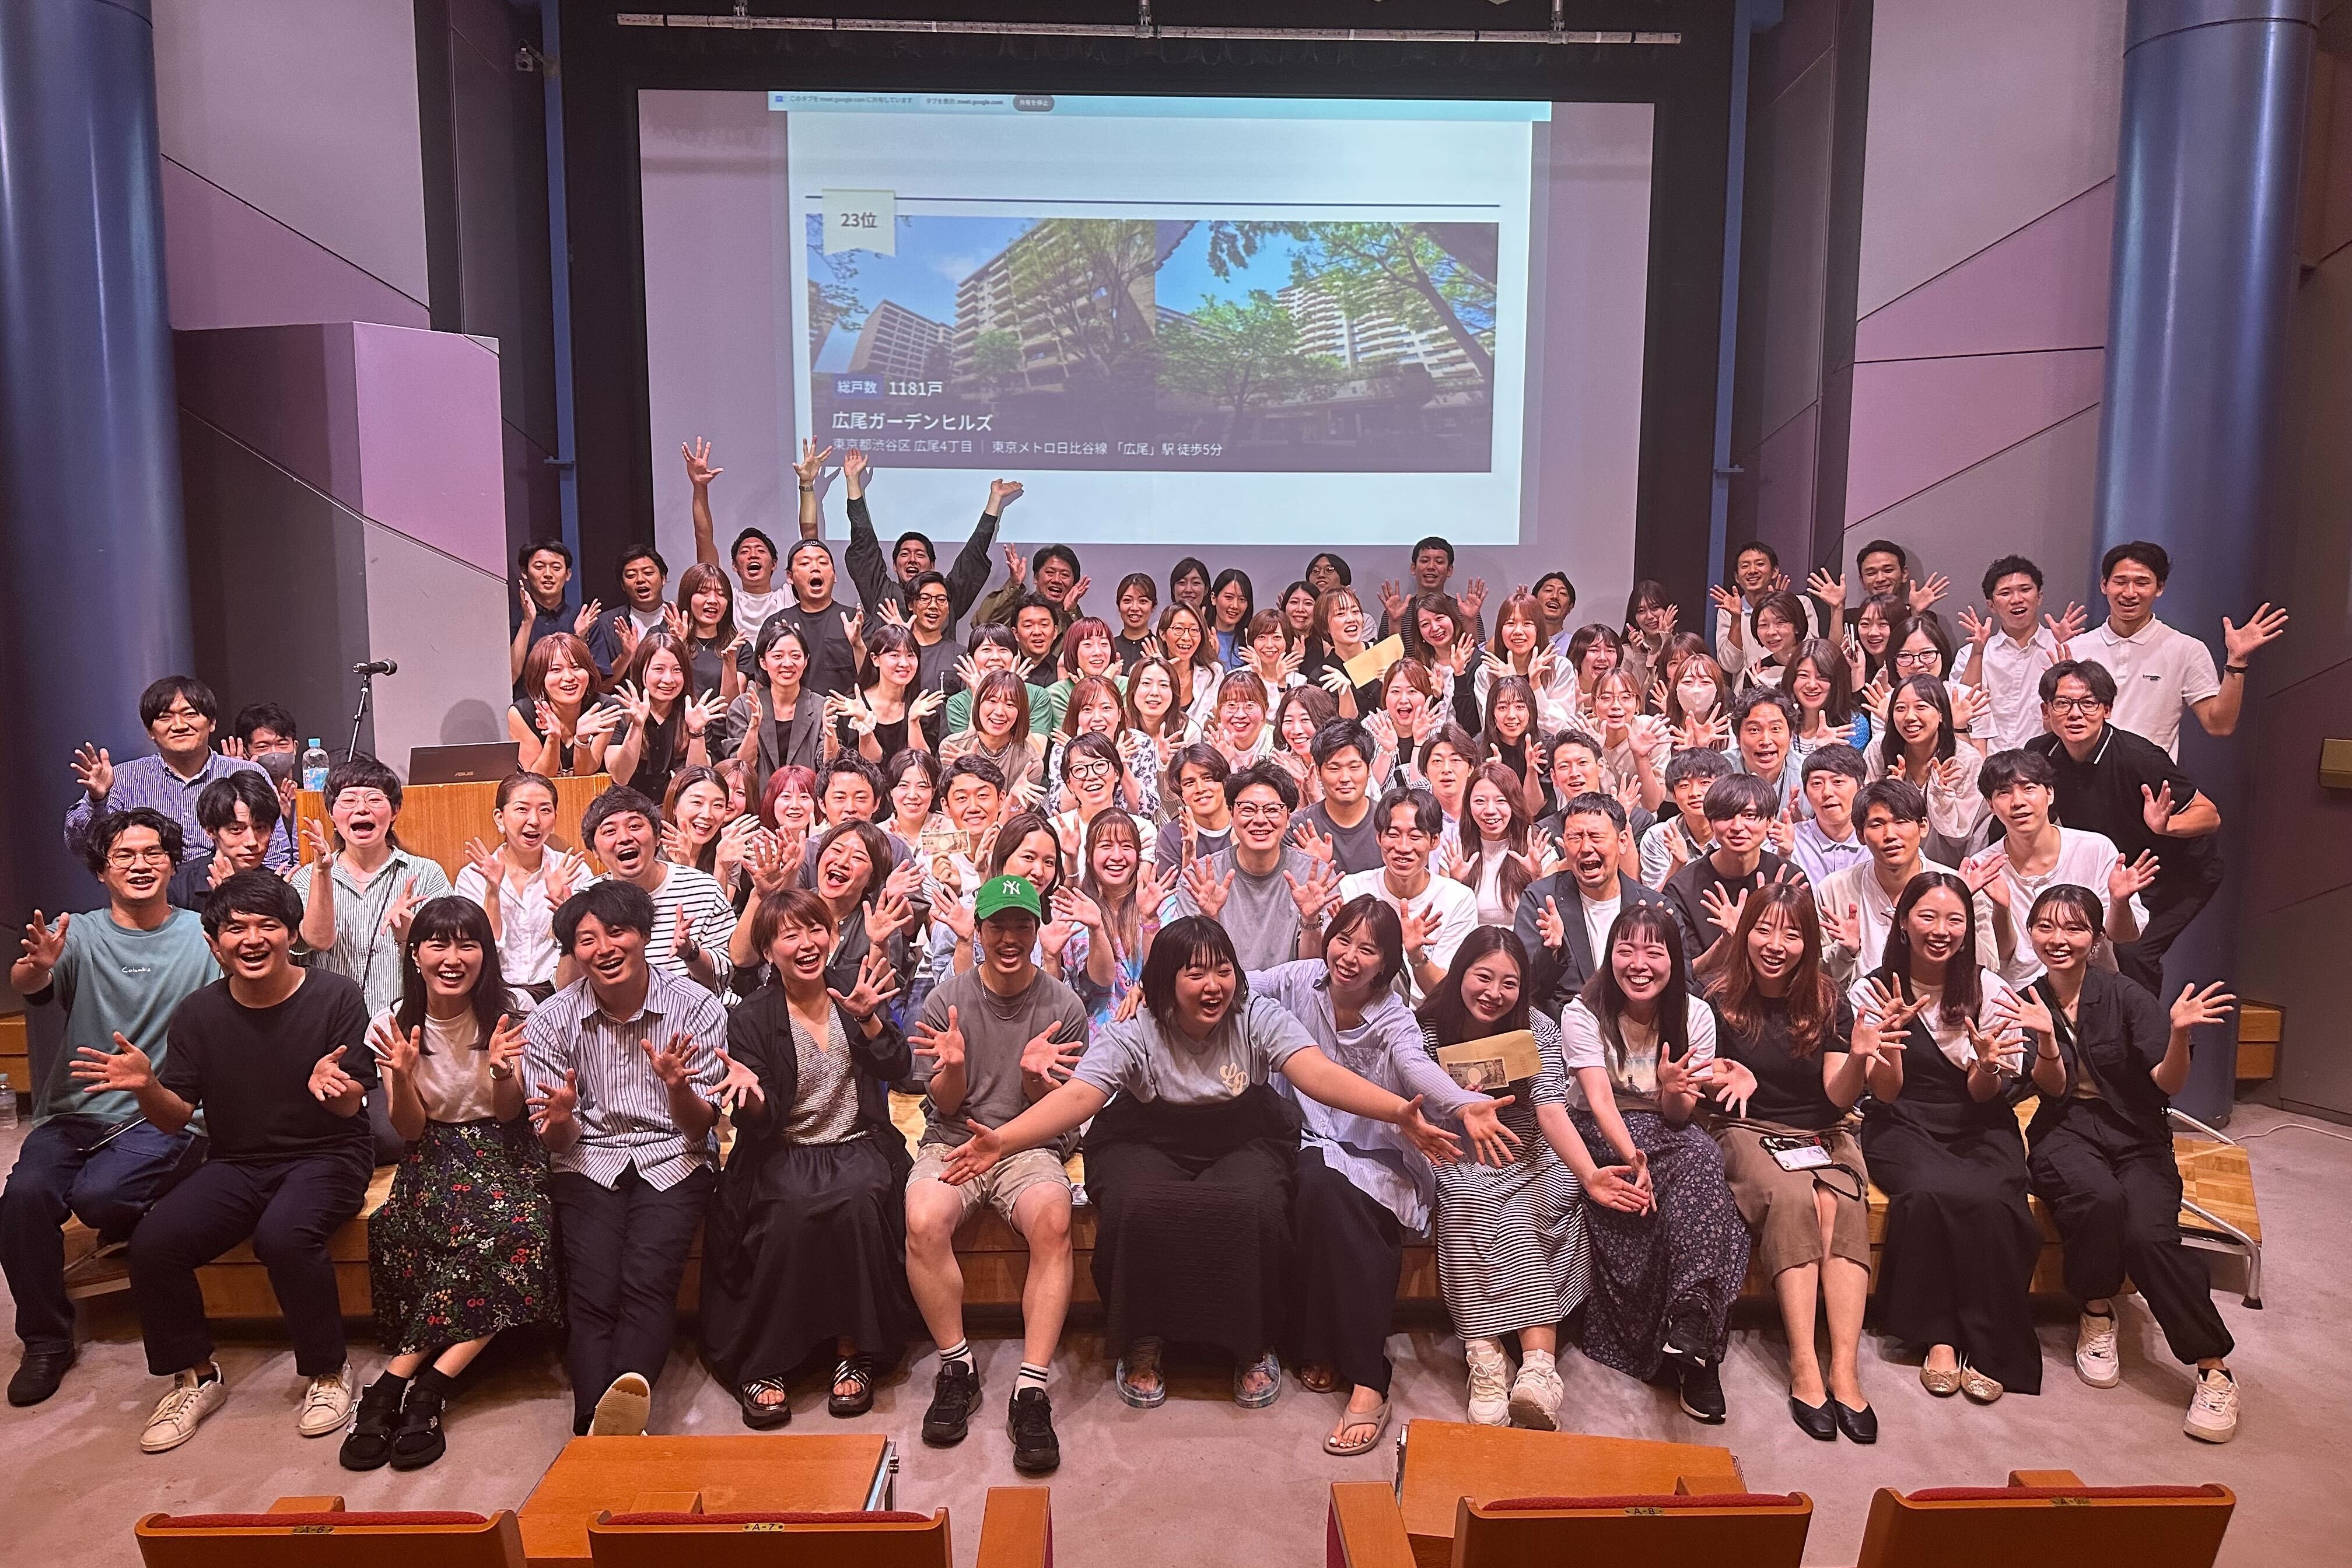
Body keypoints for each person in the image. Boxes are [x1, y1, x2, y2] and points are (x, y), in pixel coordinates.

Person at [939, 916, 1461, 1412]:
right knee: (1138, 1204)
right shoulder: (1136, 1030)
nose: (1214, 986)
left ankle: (1252, 1342)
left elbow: (1317, 1073)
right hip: (1146, 1134)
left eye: (1223, 971)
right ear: (1166, 982)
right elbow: (1080, 1097)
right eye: (1195, 974)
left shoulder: (1257, 1016)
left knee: (1253, 1205)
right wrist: (1001, 1141)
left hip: (1243, 1132)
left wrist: (1398, 1111)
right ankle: (1143, 1337)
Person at [78, 872, 376, 1452]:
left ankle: (327, 1370)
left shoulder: (335, 995)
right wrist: (146, 1087)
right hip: (238, 1159)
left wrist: (335, 1086)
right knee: (154, 1242)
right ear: (215, 944)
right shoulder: (198, 1014)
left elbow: (350, 1108)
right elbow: (174, 1118)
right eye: (236, 928)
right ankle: (195, 1375)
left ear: (292, 934)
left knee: (284, 1236)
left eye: (268, 925)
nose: (252, 939)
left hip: (329, 1153)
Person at [1251, 903, 1509, 1454]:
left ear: (1387, 964)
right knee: (1313, 1183)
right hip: (1307, 1141)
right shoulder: (1299, 980)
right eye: (1343, 940)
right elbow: (1240, 986)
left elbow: (1416, 1067)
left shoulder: (1394, 1017)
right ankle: (1321, 1346)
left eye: (1368, 950)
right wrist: (1158, 985)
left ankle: (1369, 1375)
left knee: (1338, 1196)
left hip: (1381, 1151)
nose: (1349, 957)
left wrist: (1463, 1104)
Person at [2013, 886, 2242, 1442]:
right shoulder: (2026, 1000)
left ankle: (2213, 1367)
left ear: (2096, 938)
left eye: (2074, 928)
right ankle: (2096, 1311)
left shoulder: (2125, 996)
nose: (2058, 939)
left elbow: (2167, 1084)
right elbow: (2052, 1089)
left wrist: (2179, 1035)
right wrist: (2045, 1041)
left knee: (2148, 1234)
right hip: (2066, 1128)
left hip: (2137, 1132)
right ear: (2031, 931)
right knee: (2097, 1199)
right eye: (2046, 926)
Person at [3, 811, 215, 1407]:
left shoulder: (202, 934)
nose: (140, 865)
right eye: (124, 855)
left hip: (166, 1111)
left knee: (100, 1197)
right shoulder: (77, 933)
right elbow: (29, 981)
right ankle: (47, 1340)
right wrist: (36, 966)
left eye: (153, 853)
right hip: (78, 1111)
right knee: (23, 1199)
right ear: (102, 870)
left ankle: (138, 1211)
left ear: (172, 863)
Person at [342, 898, 552, 1472]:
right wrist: (403, 1077)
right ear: (415, 954)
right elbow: (409, 1129)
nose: (453, 958)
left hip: (505, 1148)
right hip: (434, 1149)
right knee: (405, 1226)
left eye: (468, 944)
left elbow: (509, 1115)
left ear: (487, 953)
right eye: (438, 944)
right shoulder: (390, 1022)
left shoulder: (515, 1010)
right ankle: (419, 1389)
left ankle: (410, 1384)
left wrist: (502, 1071)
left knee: (519, 1231)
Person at [700, 887, 915, 1429]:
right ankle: (768, 1360)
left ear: (833, 935)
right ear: (767, 952)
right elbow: (762, 1119)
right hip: (783, 1149)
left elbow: (898, 1067)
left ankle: (852, 1348)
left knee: (860, 1203)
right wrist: (750, 1096)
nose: (806, 944)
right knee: (788, 1213)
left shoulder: (852, 991)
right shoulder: (753, 1017)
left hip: (856, 1142)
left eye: (815, 929)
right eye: (789, 935)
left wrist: (870, 1021)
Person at [522, 879, 726, 1436]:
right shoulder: (551, 1020)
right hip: (588, 1158)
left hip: (675, 1156)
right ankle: (600, 1423)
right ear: (573, 951)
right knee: (592, 1290)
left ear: (644, 934)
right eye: (587, 940)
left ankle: (607, 1425)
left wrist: (679, 1088)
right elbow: (558, 1142)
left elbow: (699, 1126)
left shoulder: (696, 1007)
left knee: (646, 1278)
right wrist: (560, 1118)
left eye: (617, 932)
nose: (605, 949)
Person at [903, 874, 1088, 1473]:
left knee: (1054, 1221)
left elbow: (1065, 1109)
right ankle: (956, 1365)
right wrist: (955, 1067)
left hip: (1027, 1145)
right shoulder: (946, 999)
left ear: (1036, 931)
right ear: (979, 932)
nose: (1010, 938)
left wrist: (1035, 1081)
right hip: (956, 1138)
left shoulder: (1064, 1006)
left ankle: (1031, 1388)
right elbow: (945, 1104)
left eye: (1022, 925)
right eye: (998, 926)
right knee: (923, 1217)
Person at [1696, 881, 1894, 1441]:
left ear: (1809, 941)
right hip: (1748, 1128)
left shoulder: (1828, 1000)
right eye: (1764, 930)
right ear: (1745, 934)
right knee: (1792, 1195)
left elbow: (1837, 1096)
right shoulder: (1717, 999)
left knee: (1841, 1198)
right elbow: (1699, 1076)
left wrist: (1859, 1059)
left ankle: (1845, 1370)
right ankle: (1805, 1363)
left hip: (1823, 1129)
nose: (1776, 945)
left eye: (1792, 933)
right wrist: (1722, 1074)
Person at [1556, 903, 1750, 1423]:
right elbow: (1598, 1099)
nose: (1639, 964)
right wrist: (1634, 1157)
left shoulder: (1695, 1015)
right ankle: (1694, 1343)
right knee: (1673, 1188)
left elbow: (1680, 1113)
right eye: (1626, 950)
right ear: (1610, 957)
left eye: (1654, 952)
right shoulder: (1582, 1013)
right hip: (1601, 1131)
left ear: (1674, 960)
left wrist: (1672, 1089)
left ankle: (1692, 1325)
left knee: (1703, 1162)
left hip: (1666, 1127)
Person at [1852, 873, 2037, 1401]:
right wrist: (1889, 1043)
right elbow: (1885, 1093)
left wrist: (1987, 1064)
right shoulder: (1872, 989)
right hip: (1902, 1119)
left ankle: (1988, 1341)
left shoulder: (1991, 989)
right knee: (1929, 1193)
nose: (1941, 930)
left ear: (1968, 928)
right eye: (1928, 917)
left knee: (1995, 1198)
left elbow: (1984, 1094)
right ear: (1903, 924)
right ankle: (1938, 1336)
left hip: (1977, 1118)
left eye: (1955, 919)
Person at [1413, 928, 1594, 1427]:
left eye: (1509, 983)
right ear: (1460, 974)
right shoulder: (1427, 1028)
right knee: (1465, 1205)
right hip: (1457, 1151)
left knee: (1520, 1216)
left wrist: (1590, 1174)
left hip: (1531, 1150)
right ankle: (1487, 1356)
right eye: (1483, 977)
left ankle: (1538, 1368)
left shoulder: (1538, 1029)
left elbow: (1552, 1110)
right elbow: (1413, 1102)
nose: (1494, 992)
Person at [2025, 661, 2224, 992]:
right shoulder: (2040, 753)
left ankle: (2145, 1026)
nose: (2075, 714)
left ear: (2107, 710)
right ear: (2047, 711)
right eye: (2063, 703)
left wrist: (2167, 826)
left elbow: (2210, 815)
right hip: (2116, 870)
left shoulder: (2139, 758)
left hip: (2177, 873)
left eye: (2088, 703)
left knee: (2133, 951)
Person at [295, 760, 454, 1166]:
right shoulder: (306, 878)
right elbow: (315, 942)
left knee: (391, 1140)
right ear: (333, 813)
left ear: (394, 811)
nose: (362, 809)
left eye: (374, 799)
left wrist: (408, 936)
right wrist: (323, 873)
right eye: (348, 800)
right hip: (330, 1032)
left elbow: (449, 961)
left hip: (399, 1030)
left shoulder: (425, 874)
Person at [2077, 540, 2288, 758]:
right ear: (2104, 585)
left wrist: (2237, 662)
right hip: (2081, 775)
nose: (2130, 593)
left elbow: (2219, 725)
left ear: (2160, 588)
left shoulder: (2186, 649)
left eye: (2142, 583)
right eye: (2120, 582)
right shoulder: (2074, 648)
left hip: (2152, 777)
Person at [65, 674, 292, 870]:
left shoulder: (246, 772)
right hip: (154, 897)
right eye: (165, 717)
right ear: (150, 731)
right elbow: (83, 847)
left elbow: (275, 853)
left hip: (233, 893)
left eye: (190, 714)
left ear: (212, 723)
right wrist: (97, 800)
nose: (180, 725)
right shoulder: (123, 778)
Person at [1970, 748, 2149, 988]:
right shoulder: (1984, 867)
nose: (2018, 802)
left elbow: (2125, 936)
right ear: (1991, 806)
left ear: (2050, 794)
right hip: (2019, 992)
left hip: (2091, 985)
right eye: (2004, 792)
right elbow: (2002, 955)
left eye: (2029, 788)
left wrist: (2119, 902)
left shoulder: (2095, 849)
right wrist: (2002, 908)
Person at [1813, 778, 1998, 986]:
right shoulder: (1834, 888)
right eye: (1877, 825)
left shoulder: (1959, 886)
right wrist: (1845, 952)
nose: (1890, 835)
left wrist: (1959, 903)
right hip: (1859, 1002)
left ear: (1923, 827)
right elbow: (1816, 975)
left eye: (1901, 822)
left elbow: (1989, 966)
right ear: (1860, 835)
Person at [1514, 792, 1675, 1021]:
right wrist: (1553, 952)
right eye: (1575, 837)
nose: (1586, 847)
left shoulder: (1653, 908)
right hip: (1564, 1028)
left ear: (1622, 841)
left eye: (1596, 836)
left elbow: (1682, 985)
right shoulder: (1541, 900)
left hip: (1641, 1025)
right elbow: (1526, 990)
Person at [1167, 762, 1331, 972]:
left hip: (1293, 990)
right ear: (1231, 814)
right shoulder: (1199, 879)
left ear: (1289, 817)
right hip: (1224, 989)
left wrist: (1310, 920)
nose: (1260, 820)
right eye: (1248, 809)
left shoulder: (1315, 876)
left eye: (1272, 810)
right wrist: (1209, 920)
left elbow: (1314, 973)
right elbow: (1193, 968)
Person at [579, 787, 735, 995]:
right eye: (610, 831)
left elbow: (725, 977)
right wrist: (568, 928)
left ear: (657, 837)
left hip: (694, 1007)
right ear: (595, 851)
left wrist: (690, 952)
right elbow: (564, 986)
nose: (624, 838)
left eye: (635, 826)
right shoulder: (584, 901)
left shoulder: (703, 888)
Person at [1333, 787, 1478, 1003]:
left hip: (1427, 1016)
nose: (1403, 847)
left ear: (1434, 841)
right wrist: (1311, 921)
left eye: (1415, 836)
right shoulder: (1351, 889)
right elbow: (1324, 971)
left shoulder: (1458, 899)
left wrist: (1416, 955)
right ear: (1379, 837)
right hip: (1360, 1012)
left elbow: (1448, 993)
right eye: (1393, 834)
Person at [838, 452, 1010, 635]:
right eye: (905, 554)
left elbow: (972, 556)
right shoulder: (881, 592)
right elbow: (865, 544)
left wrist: (995, 499)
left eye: (920, 555)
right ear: (895, 565)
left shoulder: (947, 595)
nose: (912, 559)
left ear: (932, 566)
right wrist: (852, 481)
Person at [454, 771, 586, 999]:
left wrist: (563, 909)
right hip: (494, 992)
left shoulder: (573, 870)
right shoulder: (473, 876)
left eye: (545, 810)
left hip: (561, 991)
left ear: (555, 818)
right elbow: (478, 949)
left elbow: (582, 946)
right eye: (522, 809)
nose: (534, 821)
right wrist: (492, 893)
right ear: (500, 818)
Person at [1660, 774, 1800, 969]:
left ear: (1769, 822)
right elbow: (1685, 973)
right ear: (1711, 823)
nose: (1737, 827)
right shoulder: (1682, 888)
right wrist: (1726, 940)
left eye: (1749, 816)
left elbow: (1807, 959)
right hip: (1711, 987)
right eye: (1725, 816)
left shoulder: (1789, 878)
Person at [1957, 555, 2082, 754]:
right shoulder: (1972, 654)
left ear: (2039, 597)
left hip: (2048, 760)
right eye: (2005, 593)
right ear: (1991, 605)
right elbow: (1963, 710)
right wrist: (1978, 652)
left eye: (2025, 590)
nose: (2017, 600)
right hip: (1990, 763)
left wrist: (2067, 664)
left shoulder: (2064, 649)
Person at [1874, 676, 1986, 862]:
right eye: (1900, 709)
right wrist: (1892, 796)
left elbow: (1958, 837)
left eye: (1921, 707)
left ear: (1942, 714)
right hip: (1891, 863)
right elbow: (1868, 817)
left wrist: (1942, 797)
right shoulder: (1879, 750)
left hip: (1949, 867)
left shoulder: (1965, 759)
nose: (1910, 717)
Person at [602, 632, 723, 804]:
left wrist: (696, 732)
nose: (668, 679)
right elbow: (620, 777)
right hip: (629, 810)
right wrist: (637, 726)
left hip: (677, 810)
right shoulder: (620, 711)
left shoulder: (695, 712)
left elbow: (698, 782)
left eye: (677, 670)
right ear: (641, 670)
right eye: (659, 669)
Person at [724, 618, 829, 802]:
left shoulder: (821, 707)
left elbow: (829, 768)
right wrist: (753, 728)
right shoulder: (744, 707)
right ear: (763, 662)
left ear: (806, 661)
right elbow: (741, 769)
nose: (787, 663)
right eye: (778, 656)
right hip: (755, 806)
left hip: (804, 806)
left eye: (795, 656)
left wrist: (832, 735)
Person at [166, 771, 282, 911]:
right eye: (236, 829)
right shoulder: (177, 886)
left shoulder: (277, 887)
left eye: (261, 828)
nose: (252, 842)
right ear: (211, 831)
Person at [1711, 542, 1820, 682]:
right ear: (1737, 577)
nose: (1752, 571)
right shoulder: (1729, 612)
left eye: (1760, 564)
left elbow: (1811, 651)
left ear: (1774, 571)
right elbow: (1730, 665)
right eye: (1745, 566)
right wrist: (1736, 619)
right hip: (1749, 688)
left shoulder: (1802, 604)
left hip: (1797, 685)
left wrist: (1784, 607)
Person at [510, 631, 612, 778]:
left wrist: (582, 740)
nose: (569, 677)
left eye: (576, 667)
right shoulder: (522, 713)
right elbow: (537, 779)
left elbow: (585, 774)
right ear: (540, 678)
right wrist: (553, 738)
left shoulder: (603, 708)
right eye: (556, 670)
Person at [1296, 719, 1382, 875]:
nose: (1345, 778)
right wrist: (1312, 867)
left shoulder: (1389, 823)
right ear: (1318, 772)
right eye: (1334, 769)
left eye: (1354, 767)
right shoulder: (1299, 828)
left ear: (1369, 769)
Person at [1638, 748, 1732, 888]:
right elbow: (1654, 899)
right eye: (1684, 785)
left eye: (1705, 783)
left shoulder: (1741, 831)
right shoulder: (1659, 837)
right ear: (1674, 796)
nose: (1694, 793)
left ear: (1725, 788)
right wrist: (1677, 865)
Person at [510, 539, 594, 691]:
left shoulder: (583, 619)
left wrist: (580, 637)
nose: (548, 574)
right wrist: (528, 622)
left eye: (556, 568)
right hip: (524, 704)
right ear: (524, 572)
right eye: (539, 567)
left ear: (568, 574)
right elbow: (510, 677)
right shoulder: (508, 619)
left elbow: (594, 682)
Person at [1788, 744, 1870, 886]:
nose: (1827, 792)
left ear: (1861, 787)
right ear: (1805, 793)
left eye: (1837, 782)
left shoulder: (1878, 836)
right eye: (1817, 783)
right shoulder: (1791, 839)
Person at [1153, 744, 1232, 869]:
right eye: (1190, 783)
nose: (1200, 789)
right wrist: (1189, 853)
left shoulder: (1247, 821)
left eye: (1207, 778)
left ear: (1224, 782)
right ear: (1181, 795)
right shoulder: (1171, 836)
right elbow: (1172, 883)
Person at [1111, 573, 1158, 670]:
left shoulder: (1162, 648)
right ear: (1118, 605)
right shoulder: (1109, 648)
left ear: (1153, 606)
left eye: (1143, 601)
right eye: (1128, 600)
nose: (1135, 608)